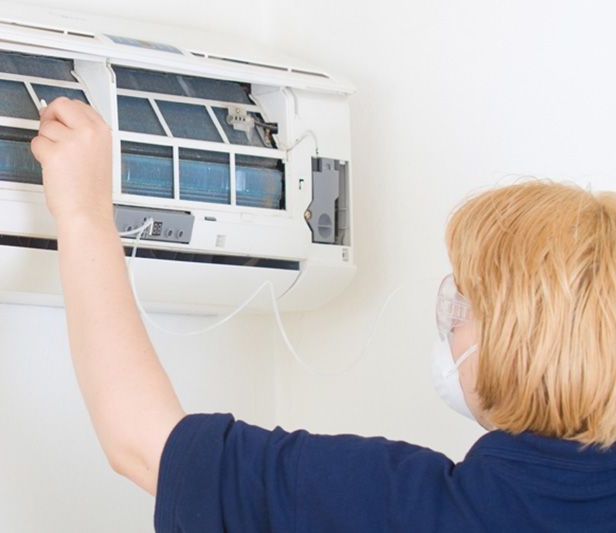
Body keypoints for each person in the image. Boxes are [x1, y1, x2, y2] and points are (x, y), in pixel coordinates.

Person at [31, 97, 616, 532]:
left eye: (464, 304)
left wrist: (83, 211)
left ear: (520, 337)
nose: (448, 322)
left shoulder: (420, 509)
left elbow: (144, 442)